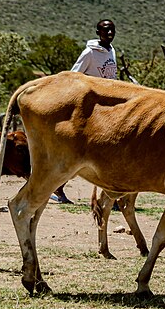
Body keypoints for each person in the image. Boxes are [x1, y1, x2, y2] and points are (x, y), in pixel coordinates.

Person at [50, 19, 118, 203]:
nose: (109, 33)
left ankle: (111, 195)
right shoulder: (89, 53)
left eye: (112, 30)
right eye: (106, 30)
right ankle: (57, 188)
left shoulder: (112, 51)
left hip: (107, 106)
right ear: (98, 32)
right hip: (91, 107)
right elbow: (74, 74)